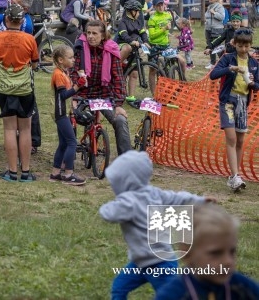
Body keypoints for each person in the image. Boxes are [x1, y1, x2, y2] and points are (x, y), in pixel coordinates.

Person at [99, 151, 211, 299]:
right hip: (140, 262)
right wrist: (200, 200)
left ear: (126, 180)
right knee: (119, 287)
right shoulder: (155, 193)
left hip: (161, 264)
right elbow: (178, 198)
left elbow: (108, 214)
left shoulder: (129, 202)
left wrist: (110, 205)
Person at [155, 203, 259, 300]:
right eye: (216, 253)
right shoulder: (173, 295)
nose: (228, 261)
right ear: (187, 254)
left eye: (232, 251)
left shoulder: (241, 287)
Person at [0, 4, 39, 183]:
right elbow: (34, 63)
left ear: (6, 19)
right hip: (24, 87)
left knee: (9, 129)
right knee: (25, 129)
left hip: (4, 87)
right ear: (22, 20)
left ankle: (11, 171)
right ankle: (25, 171)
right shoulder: (29, 39)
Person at [70, 20, 131, 155]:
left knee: (120, 120)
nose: (90, 36)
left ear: (103, 36)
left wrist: (119, 104)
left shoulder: (111, 50)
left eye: (94, 33)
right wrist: (74, 96)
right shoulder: (80, 48)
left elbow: (118, 78)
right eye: (88, 33)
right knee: (70, 119)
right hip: (82, 94)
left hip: (104, 95)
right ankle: (68, 157)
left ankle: (127, 160)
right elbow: (73, 73)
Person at [210, 27, 259, 192]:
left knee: (240, 141)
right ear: (235, 44)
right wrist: (230, 69)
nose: (243, 49)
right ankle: (235, 176)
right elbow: (213, 74)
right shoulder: (228, 58)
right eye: (240, 46)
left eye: (246, 46)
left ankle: (235, 175)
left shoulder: (253, 63)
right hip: (228, 102)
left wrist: (253, 84)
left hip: (243, 103)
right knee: (230, 138)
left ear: (250, 46)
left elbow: (257, 84)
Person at [49, 45, 87, 185]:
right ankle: (68, 174)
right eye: (70, 58)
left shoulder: (63, 72)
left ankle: (55, 173)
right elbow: (63, 95)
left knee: (64, 143)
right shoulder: (58, 74)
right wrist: (78, 86)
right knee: (72, 142)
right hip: (61, 113)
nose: (73, 60)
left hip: (63, 112)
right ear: (60, 60)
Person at [114, 0, 149, 102]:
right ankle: (114, 65)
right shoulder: (123, 22)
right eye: (138, 11)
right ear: (131, 11)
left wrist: (146, 41)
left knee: (134, 73)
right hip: (122, 45)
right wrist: (131, 41)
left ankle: (131, 96)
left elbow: (143, 33)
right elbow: (123, 35)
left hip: (134, 47)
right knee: (127, 47)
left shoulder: (138, 22)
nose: (139, 13)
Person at [147, 0, 186, 85]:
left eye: (162, 5)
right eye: (158, 6)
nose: (161, 7)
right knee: (152, 70)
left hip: (165, 46)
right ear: (154, 6)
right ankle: (153, 94)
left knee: (182, 61)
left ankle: (183, 82)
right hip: (154, 46)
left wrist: (187, 28)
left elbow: (179, 21)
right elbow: (152, 36)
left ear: (165, 5)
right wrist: (164, 29)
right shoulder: (152, 19)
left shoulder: (168, 15)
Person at [204, 0, 227, 69]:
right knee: (210, 45)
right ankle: (212, 62)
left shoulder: (220, 7)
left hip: (217, 29)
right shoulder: (209, 6)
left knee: (217, 46)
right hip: (208, 29)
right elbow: (206, 16)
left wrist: (214, 13)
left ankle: (223, 62)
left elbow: (222, 17)